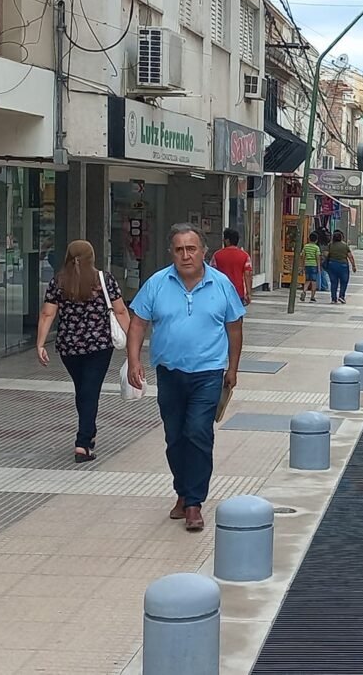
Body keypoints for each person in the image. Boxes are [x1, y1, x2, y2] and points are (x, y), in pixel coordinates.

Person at [126, 224, 245, 532]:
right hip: (169, 372)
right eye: (179, 249)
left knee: (197, 432)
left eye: (191, 248)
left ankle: (194, 503)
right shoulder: (156, 283)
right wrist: (133, 360)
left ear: (203, 252)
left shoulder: (221, 285)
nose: (185, 255)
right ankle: (182, 491)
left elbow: (235, 328)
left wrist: (232, 369)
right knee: (175, 437)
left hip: (208, 373)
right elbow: (138, 324)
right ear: (172, 253)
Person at [36, 240, 132, 463]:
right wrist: (131, 343)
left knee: (83, 389)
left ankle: (88, 432)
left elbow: (47, 314)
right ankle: (83, 442)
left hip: (69, 347)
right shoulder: (104, 280)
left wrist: (40, 343)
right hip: (99, 345)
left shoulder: (58, 281)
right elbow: (120, 311)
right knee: (90, 390)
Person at [212, 228, 253, 306]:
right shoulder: (245, 256)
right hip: (238, 292)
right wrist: (248, 293)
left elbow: (211, 273)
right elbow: (248, 275)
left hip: (221, 291)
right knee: (238, 316)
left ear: (227, 241)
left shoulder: (217, 255)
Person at [324, 230, 357, 304]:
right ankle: (341, 296)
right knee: (344, 281)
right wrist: (353, 266)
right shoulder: (345, 245)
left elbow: (326, 254)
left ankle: (333, 299)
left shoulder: (330, 245)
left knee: (333, 282)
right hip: (343, 265)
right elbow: (350, 256)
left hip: (332, 265)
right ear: (341, 237)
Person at [301, 230, 324, 302]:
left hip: (307, 265)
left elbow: (303, 256)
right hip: (314, 265)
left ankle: (304, 291)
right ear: (316, 240)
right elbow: (318, 257)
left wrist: (302, 265)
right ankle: (312, 297)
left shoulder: (305, 246)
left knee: (307, 280)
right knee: (314, 281)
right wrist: (319, 267)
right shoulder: (316, 248)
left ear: (309, 239)